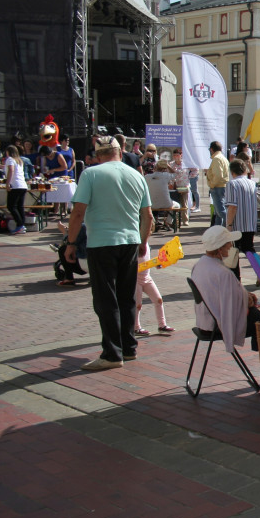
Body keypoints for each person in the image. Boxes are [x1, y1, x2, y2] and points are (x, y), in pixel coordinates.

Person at [66, 136, 153, 370]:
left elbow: (78, 212)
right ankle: (128, 347)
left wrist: (71, 242)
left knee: (106, 299)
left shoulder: (91, 174)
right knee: (126, 297)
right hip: (130, 242)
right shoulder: (136, 175)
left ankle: (112, 353)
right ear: (120, 150)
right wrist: (143, 241)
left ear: (98, 154)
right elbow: (148, 216)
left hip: (102, 243)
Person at [191, 226, 260, 353]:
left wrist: (244, 295)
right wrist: (246, 298)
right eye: (228, 243)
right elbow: (237, 303)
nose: (231, 245)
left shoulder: (199, 265)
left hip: (204, 321)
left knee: (259, 314)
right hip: (218, 324)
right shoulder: (223, 273)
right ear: (220, 248)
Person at [134, 219, 173, 337]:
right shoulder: (135, 244)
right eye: (148, 230)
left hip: (147, 277)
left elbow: (147, 260)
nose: (149, 232)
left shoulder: (146, 243)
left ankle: (162, 325)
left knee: (158, 299)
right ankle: (136, 327)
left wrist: (157, 263)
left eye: (151, 230)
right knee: (138, 304)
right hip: (136, 279)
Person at [224, 158, 258, 282]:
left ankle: (235, 279)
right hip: (250, 222)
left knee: (233, 252)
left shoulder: (232, 184)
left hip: (238, 224)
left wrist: (229, 224)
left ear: (232, 172)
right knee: (249, 249)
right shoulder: (252, 183)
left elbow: (232, 206)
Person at [145, 159, 176, 230]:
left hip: (151, 203)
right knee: (177, 205)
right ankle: (167, 222)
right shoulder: (166, 175)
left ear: (155, 167)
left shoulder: (147, 177)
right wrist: (168, 166)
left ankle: (155, 221)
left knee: (156, 202)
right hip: (166, 203)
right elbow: (175, 174)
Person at [3, 145, 28, 234]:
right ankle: (22, 225)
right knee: (20, 206)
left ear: (8, 152)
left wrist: (8, 183)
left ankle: (20, 224)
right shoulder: (19, 161)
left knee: (11, 206)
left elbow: (11, 170)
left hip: (15, 185)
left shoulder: (10, 159)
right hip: (22, 185)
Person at [207, 141, 230, 226]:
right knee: (217, 213)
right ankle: (217, 231)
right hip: (222, 186)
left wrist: (212, 185)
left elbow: (218, 175)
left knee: (220, 212)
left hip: (217, 187)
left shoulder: (216, 159)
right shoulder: (223, 158)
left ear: (211, 149)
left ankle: (229, 225)